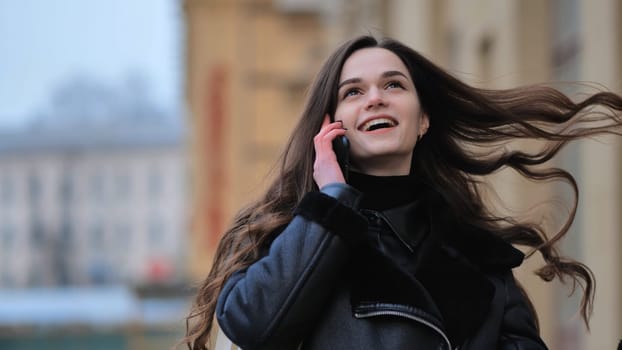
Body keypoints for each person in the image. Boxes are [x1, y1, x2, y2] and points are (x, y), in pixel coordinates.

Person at [184, 35, 622, 349]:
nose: (376, 98)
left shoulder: (480, 260)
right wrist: (332, 200)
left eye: (394, 85)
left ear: (423, 119)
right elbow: (255, 328)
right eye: (353, 92)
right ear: (329, 126)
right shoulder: (280, 239)